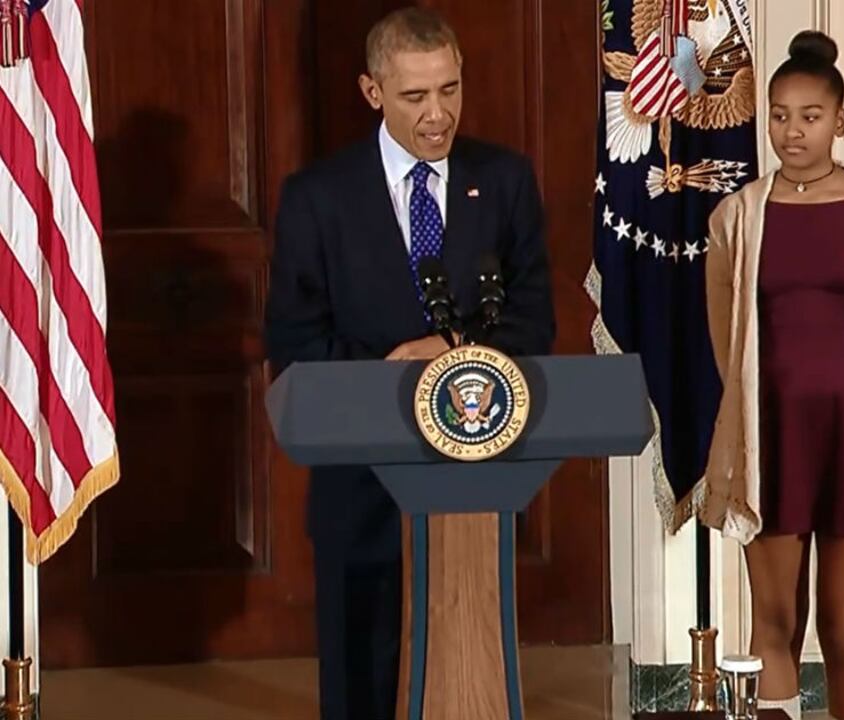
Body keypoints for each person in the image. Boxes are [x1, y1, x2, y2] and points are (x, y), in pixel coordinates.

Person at [263, 7, 554, 719]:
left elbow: (532, 318)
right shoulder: (318, 198)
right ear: (372, 92)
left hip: (475, 485)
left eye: (450, 91)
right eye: (415, 97)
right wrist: (398, 367)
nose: (437, 116)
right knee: (362, 682)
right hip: (359, 492)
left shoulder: (504, 179)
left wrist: (451, 352)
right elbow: (296, 344)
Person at [702, 30, 844, 720]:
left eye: (809, 116)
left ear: (840, 121)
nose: (791, 131)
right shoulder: (738, 215)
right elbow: (725, 335)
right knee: (774, 625)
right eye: (778, 115)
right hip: (773, 435)